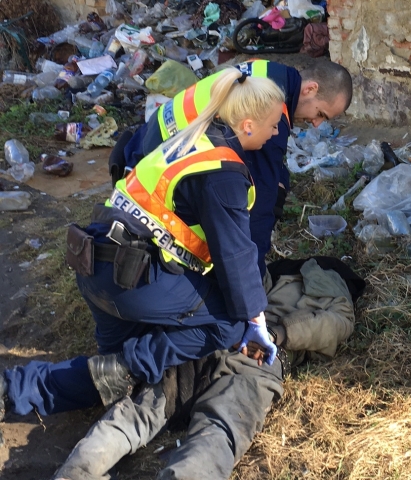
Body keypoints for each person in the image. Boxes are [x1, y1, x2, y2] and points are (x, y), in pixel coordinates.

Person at [0, 68, 286, 422]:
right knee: (229, 323)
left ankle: (13, 390)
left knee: (106, 377)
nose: (276, 133)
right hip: (132, 281)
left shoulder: (188, 141)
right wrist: (254, 318)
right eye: (274, 125)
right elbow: (235, 255)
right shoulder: (223, 172)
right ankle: (126, 367)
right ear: (248, 125)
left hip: (94, 264)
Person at [51, 257, 365, 480]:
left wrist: (274, 333)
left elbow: (334, 324)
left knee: (143, 411)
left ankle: (77, 471)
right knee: (217, 430)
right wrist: (275, 335)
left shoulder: (274, 277)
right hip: (246, 355)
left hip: (222, 341)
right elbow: (336, 324)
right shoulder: (317, 290)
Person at [110, 59, 353, 276]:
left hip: (150, 140)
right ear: (310, 89)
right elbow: (260, 209)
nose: (316, 124)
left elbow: (272, 167)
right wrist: (255, 274)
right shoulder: (269, 110)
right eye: (320, 114)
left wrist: (279, 182)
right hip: (153, 182)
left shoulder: (268, 70)